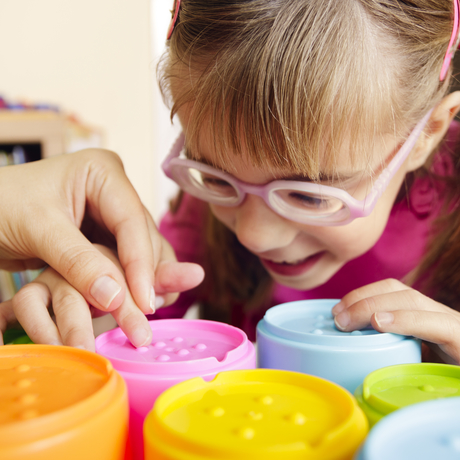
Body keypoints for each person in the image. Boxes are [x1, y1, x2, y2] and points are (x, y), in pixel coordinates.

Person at [4, 0, 460, 365]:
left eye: (308, 195)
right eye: (215, 176)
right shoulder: (202, 213)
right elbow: (135, 327)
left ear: (428, 132)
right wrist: (97, 301)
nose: (251, 234)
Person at [0, 149, 204, 350]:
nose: (238, 232)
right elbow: (145, 329)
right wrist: (93, 310)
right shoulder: (191, 223)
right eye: (218, 180)